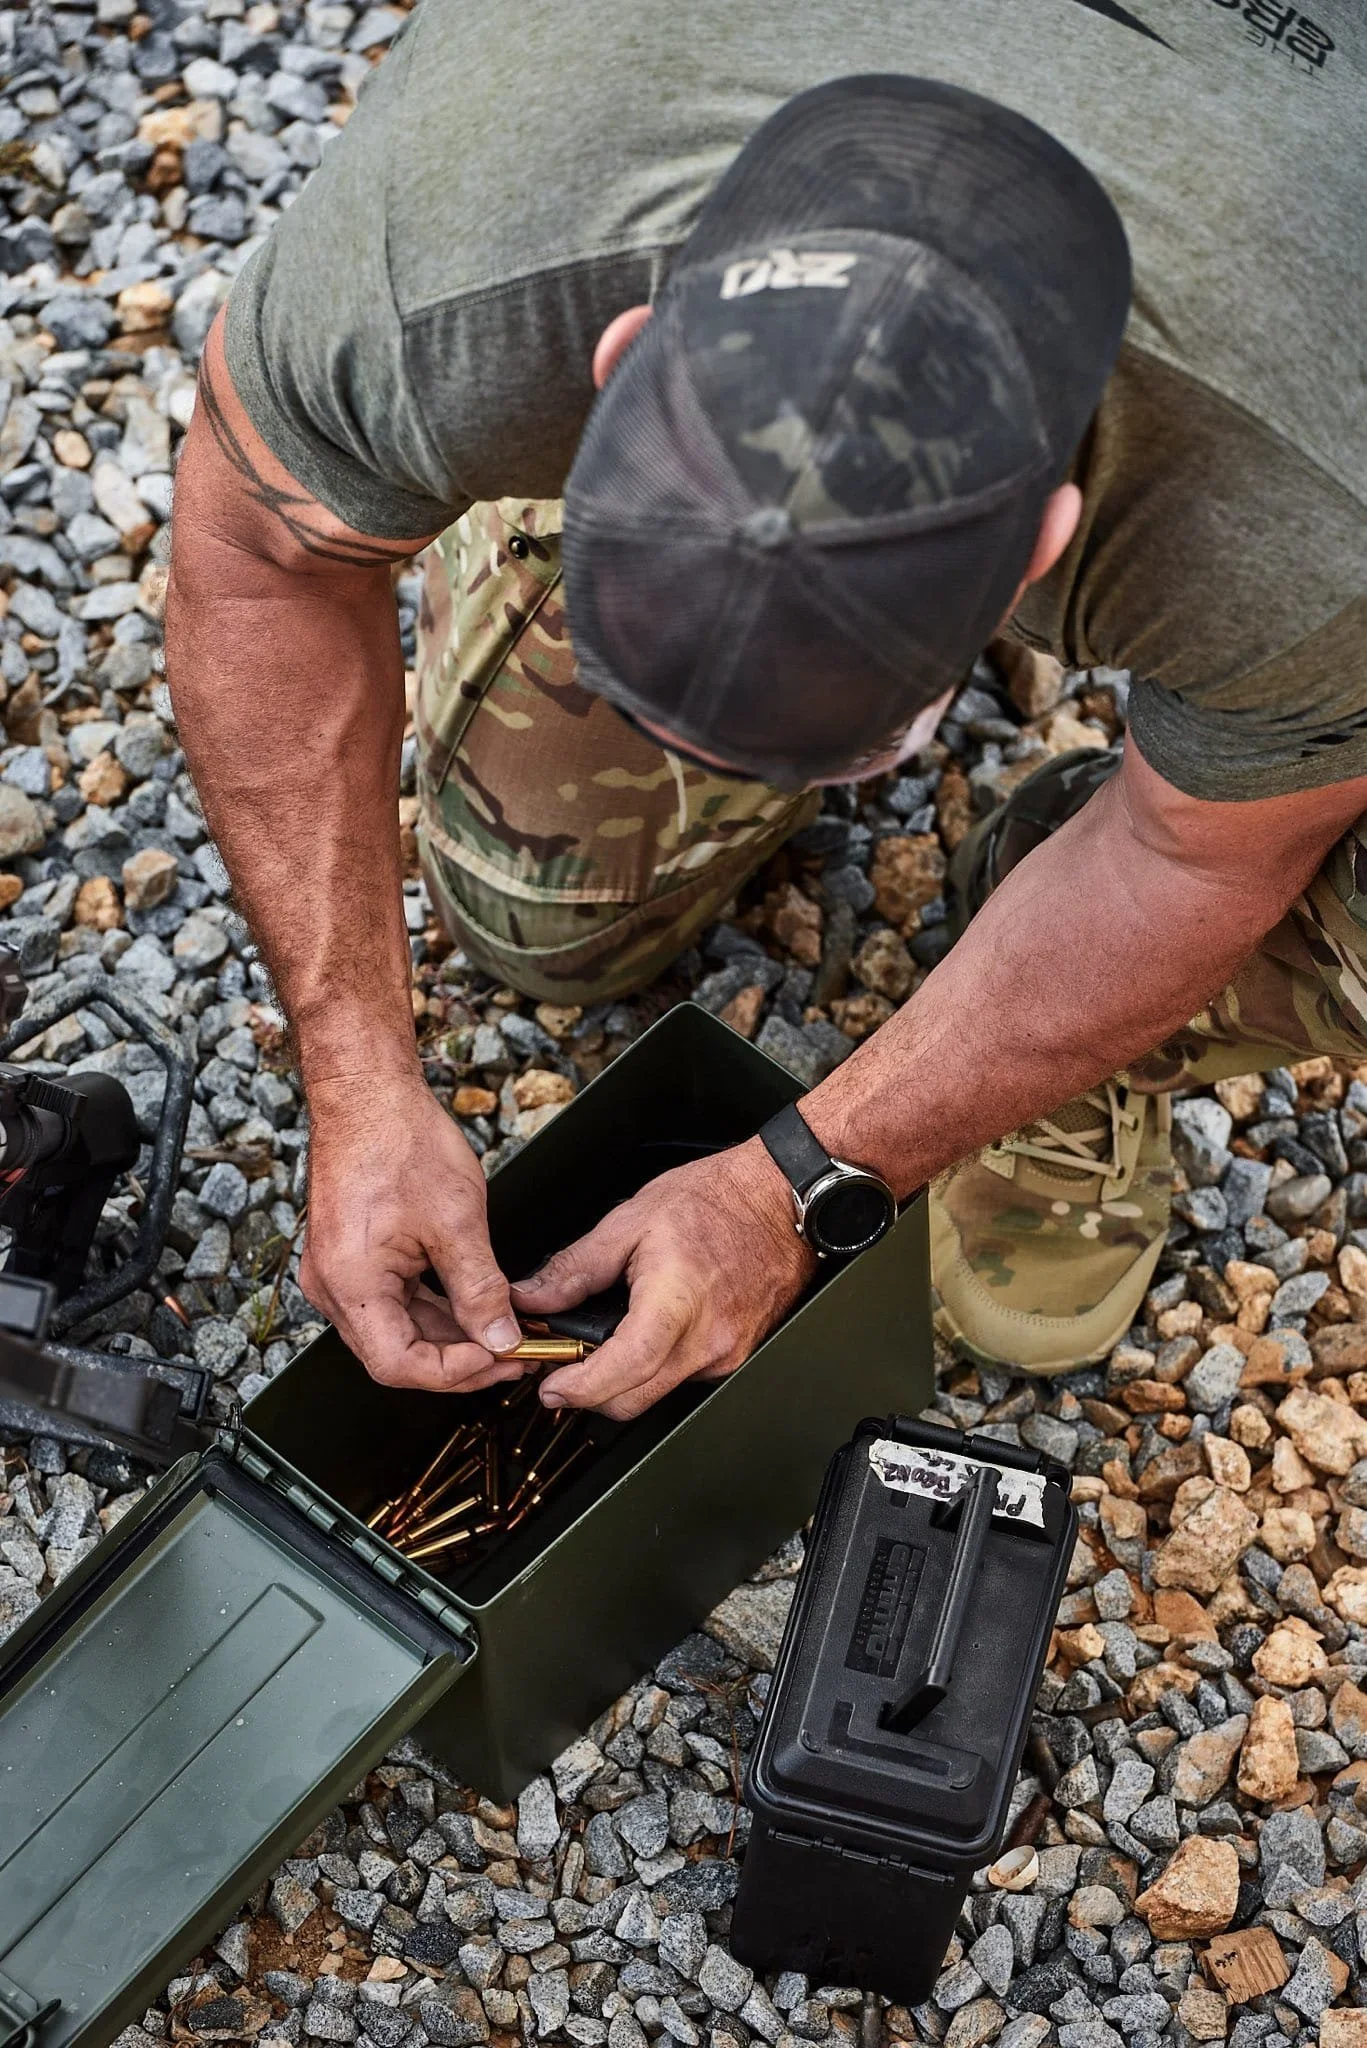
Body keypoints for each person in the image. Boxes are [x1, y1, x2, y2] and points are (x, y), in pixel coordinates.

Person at [167, 0, 1365, 1419]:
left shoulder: (1312, 517)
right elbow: (257, 552)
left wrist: (800, 1189)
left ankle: (1111, 964)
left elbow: (1203, 855)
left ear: (1045, 545)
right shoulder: (473, 221)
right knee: (544, 912)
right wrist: (356, 1081)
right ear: (617, 358)